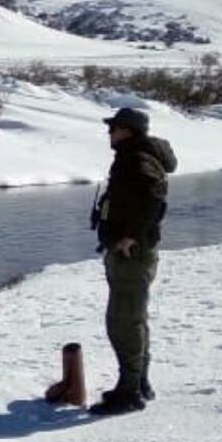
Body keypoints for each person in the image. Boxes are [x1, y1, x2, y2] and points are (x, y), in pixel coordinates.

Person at [89, 106, 178, 416]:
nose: (109, 133)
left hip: (132, 255)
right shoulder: (132, 156)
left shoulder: (137, 159)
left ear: (128, 130)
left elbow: (155, 199)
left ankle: (129, 392)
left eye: (114, 127)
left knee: (123, 321)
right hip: (130, 253)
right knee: (133, 318)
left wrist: (132, 236)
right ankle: (139, 383)